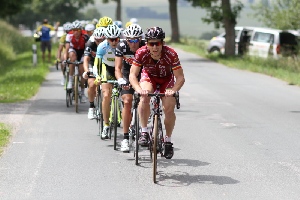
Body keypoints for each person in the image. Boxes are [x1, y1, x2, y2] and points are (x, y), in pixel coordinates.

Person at [129, 27, 185, 159]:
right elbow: (132, 75)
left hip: (166, 79)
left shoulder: (171, 54)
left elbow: (180, 78)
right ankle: (144, 131)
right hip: (149, 77)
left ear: (162, 43)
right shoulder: (141, 52)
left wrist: (174, 90)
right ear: (146, 44)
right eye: (151, 43)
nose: (154, 47)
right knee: (144, 96)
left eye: (157, 43)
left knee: (169, 108)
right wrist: (138, 89)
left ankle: (168, 140)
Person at [115, 24, 145, 152]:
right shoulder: (121, 46)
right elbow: (117, 68)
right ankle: (125, 138)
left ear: (140, 39)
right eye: (130, 40)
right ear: (126, 39)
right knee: (127, 102)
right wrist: (121, 80)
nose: (133, 43)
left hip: (143, 73)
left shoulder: (145, 46)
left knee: (144, 100)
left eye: (135, 40)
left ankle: (145, 130)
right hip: (128, 74)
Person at [94, 24, 121, 139]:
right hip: (107, 69)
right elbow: (97, 64)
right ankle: (106, 125)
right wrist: (97, 76)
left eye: (116, 39)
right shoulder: (102, 46)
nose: (114, 42)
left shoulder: (123, 45)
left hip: (120, 69)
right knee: (106, 95)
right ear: (106, 38)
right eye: (111, 39)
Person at [82, 27, 107, 119]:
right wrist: (86, 71)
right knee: (92, 84)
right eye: (97, 40)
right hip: (93, 65)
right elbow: (86, 60)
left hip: (105, 65)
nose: (99, 42)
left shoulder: (109, 44)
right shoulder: (90, 44)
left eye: (102, 40)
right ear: (94, 38)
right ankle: (91, 107)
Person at [64, 21, 90, 102]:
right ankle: (70, 80)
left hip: (82, 51)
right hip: (74, 50)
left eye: (78, 30)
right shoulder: (69, 35)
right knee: (72, 58)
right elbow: (67, 49)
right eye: (74, 30)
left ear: (81, 30)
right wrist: (65, 59)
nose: (76, 32)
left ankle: (82, 93)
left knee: (82, 71)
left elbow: (87, 48)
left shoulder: (85, 35)